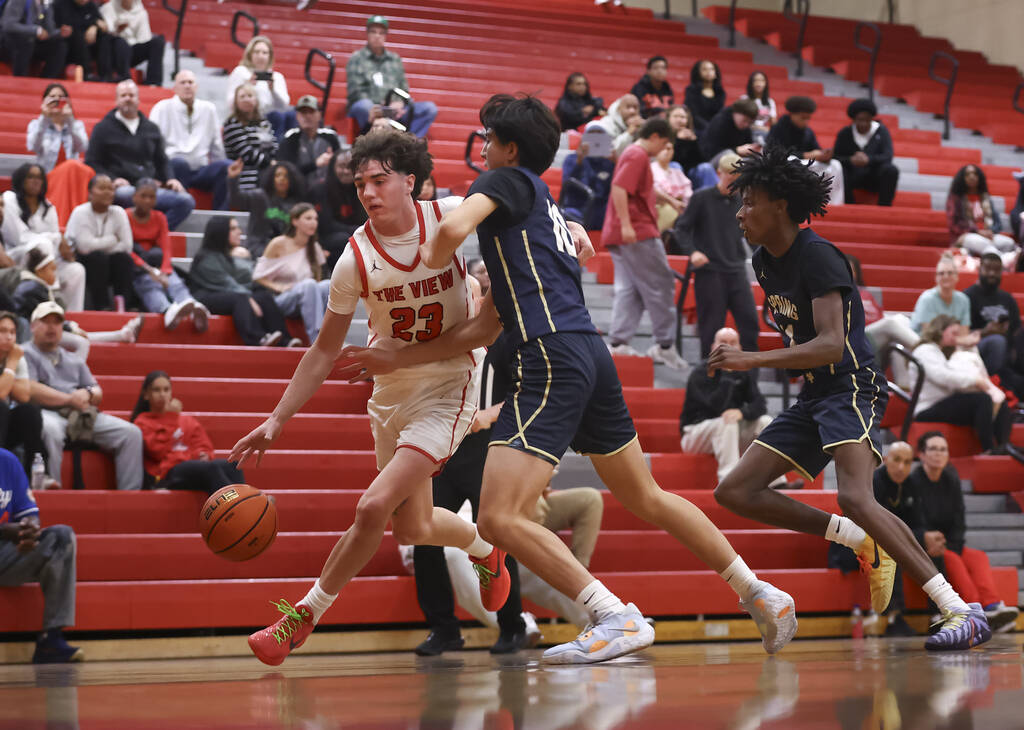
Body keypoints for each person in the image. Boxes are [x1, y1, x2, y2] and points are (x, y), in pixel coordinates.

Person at [341, 94, 801, 664]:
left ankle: (614, 615)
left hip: (550, 355)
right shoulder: (538, 211)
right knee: (646, 496)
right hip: (589, 352)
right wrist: (397, 359)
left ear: (509, 150)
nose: (481, 149)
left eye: (488, 140)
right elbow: (479, 333)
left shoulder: (507, 181)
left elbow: (444, 234)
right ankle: (760, 591)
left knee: (496, 517)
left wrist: (421, 267)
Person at [230, 129, 510, 667]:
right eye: (360, 183)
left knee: (373, 507)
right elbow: (322, 351)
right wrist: (276, 419)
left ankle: (301, 616)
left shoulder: (449, 214)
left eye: (379, 180)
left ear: (410, 180)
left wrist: (568, 223)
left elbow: (520, 202)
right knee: (413, 527)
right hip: (391, 390)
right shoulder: (354, 258)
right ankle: (484, 548)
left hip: (450, 385)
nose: (368, 192)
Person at [708, 145, 992, 651]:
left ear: (780, 205)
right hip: (815, 392)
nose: (740, 211)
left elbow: (831, 344)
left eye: (749, 201)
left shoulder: (818, 256)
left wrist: (750, 359)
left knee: (856, 495)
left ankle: (958, 608)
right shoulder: (762, 261)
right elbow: (802, 345)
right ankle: (858, 539)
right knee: (735, 491)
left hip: (851, 384)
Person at [412, 329, 529, 656]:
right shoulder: (443, 339)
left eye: (476, 289)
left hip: (489, 449)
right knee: (424, 535)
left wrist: (489, 414)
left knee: (497, 535)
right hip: (445, 449)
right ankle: (443, 629)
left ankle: (512, 626)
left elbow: (527, 391)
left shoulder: (506, 341)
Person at [25, 301, 145, 491]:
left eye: (56, 322)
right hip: (45, 411)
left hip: (80, 412)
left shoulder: (72, 358)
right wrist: (69, 399)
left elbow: (97, 391)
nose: (52, 327)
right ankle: (53, 493)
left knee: (131, 434)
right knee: (50, 430)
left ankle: (130, 497)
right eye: (45, 321)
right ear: (32, 326)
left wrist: (87, 393)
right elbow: (30, 389)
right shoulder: (25, 352)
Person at [908, 432, 1020, 632]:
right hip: (925, 546)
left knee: (978, 557)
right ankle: (976, 610)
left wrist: (954, 544)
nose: (938, 454)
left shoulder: (951, 479)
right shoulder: (913, 481)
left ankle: (992, 606)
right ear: (922, 454)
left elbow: (959, 519)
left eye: (943, 449)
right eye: (933, 449)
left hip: (951, 542)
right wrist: (933, 541)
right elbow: (915, 520)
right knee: (953, 560)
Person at [602, 117, 687, 369]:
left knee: (631, 289)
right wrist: (627, 224)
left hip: (623, 233)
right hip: (637, 232)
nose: (664, 149)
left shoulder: (634, 154)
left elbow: (642, 189)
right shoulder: (638, 155)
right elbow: (619, 188)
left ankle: (618, 343)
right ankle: (665, 345)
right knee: (661, 285)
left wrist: (670, 201)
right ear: (656, 137)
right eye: (664, 143)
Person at [672, 152, 759, 358]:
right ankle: (708, 376)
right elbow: (681, 229)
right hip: (710, 271)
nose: (733, 179)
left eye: (737, 175)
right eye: (730, 174)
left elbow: (752, 236)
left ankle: (749, 379)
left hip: (736, 269)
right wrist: (692, 252)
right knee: (710, 328)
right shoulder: (702, 198)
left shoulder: (744, 201)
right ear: (719, 173)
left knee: (750, 324)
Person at [0, 448, 81, 663]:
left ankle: (51, 638)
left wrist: (29, 532)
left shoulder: (7, 461)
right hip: (4, 536)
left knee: (61, 537)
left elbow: (29, 514)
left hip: (5, 553)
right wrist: (5, 530)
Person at [681, 327, 788, 487]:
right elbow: (714, 408)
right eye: (723, 342)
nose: (728, 347)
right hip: (695, 434)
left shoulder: (743, 372)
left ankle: (775, 481)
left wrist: (741, 412)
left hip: (728, 434)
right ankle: (729, 482)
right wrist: (727, 375)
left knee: (765, 421)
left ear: (740, 348)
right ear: (712, 347)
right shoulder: (701, 372)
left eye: (733, 343)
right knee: (727, 421)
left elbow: (760, 405)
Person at [85, 81, 195, 231]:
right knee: (128, 194)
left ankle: (154, 232)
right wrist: (112, 179)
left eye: (131, 95)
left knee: (186, 201)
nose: (127, 98)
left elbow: (161, 160)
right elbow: (92, 162)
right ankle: (139, 232)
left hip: (148, 186)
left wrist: (170, 178)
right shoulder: (102, 128)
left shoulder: (151, 128)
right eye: (123, 95)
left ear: (138, 99)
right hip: (121, 189)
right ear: (117, 100)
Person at [910, 314, 1016, 457]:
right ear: (940, 331)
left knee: (999, 401)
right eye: (953, 333)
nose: (956, 338)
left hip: (944, 403)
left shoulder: (940, 351)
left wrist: (968, 346)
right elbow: (943, 377)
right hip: (928, 407)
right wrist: (976, 381)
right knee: (982, 400)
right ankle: (988, 449)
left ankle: (1003, 447)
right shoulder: (925, 350)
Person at [130, 371, 245, 492]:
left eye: (166, 389)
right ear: (146, 395)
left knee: (233, 466)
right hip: (167, 473)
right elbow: (158, 451)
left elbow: (203, 444)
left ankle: (246, 505)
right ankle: (235, 506)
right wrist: (171, 417)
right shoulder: (142, 422)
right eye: (156, 390)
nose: (162, 394)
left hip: (193, 467)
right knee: (211, 468)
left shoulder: (186, 420)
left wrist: (203, 454)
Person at [188, 217, 290, 348]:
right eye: (233, 228)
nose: (239, 231)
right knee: (240, 298)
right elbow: (227, 284)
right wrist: (249, 299)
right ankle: (258, 338)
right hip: (205, 296)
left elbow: (243, 282)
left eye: (238, 227)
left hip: (226, 294)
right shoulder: (206, 257)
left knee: (262, 295)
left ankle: (285, 340)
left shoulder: (226, 256)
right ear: (220, 232)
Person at [1, 162, 86, 311]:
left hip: (45, 261)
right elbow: (19, 237)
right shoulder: (9, 199)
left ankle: (72, 314)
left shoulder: (49, 207)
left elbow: (54, 245)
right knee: (43, 244)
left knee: (76, 270)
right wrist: (58, 238)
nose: (36, 181)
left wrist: (60, 243)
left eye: (39, 177)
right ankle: (52, 299)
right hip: (17, 256)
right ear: (21, 179)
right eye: (31, 177)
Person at [127, 179, 208, 332]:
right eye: (143, 196)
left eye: (151, 197)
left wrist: (164, 270)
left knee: (173, 280)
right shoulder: (125, 216)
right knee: (149, 284)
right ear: (134, 197)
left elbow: (166, 246)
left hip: (155, 263)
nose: (147, 200)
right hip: (136, 266)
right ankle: (166, 310)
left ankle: (191, 304)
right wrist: (149, 270)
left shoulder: (159, 217)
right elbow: (126, 249)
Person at [252, 203, 331, 346]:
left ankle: (333, 336)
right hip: (281, 300)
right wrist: (279, 287)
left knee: (328, 285)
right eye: (308, 218)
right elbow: (257, 276)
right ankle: (318, 341)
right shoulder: (278, 243)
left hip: (308, 296)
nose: (313, 222)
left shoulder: (315, 247)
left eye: (315, 219)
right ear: (295, 221)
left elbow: (318, 279)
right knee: (309, 285)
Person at [149, 70, 230, 210]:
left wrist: (223, 164)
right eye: (183, 82)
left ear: (196, 87)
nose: (187, 86)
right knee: (180, 163)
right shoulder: (162, 108)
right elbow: (151, 144)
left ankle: (220, 217)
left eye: (190, 82)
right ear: (174, 88)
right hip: (173, 168)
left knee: (226, 166)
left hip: (201, 169)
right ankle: (184, 209)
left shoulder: (209, 109)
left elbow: (216, 145)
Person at [346, 15, 437, 138]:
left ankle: (409, 144)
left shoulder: (395, 59)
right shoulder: (357, 58)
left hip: (393, 110)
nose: (377, 36)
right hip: (370, 108)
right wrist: (378, 106)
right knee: (363, 105)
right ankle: (371, 140)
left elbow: (404, 88)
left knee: (429, 109)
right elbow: (355, 92)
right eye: (373, 32)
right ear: (367, 34)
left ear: (385, 36)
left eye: (381, 33)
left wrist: (399, 103)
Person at [870, 441, 918, 637]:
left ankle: (938, 616)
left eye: (907, 462)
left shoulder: (911, 485)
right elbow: (873, 524)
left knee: (933, 551)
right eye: (897, 460)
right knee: (892, 550)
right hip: (857, 542)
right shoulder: (873, 480)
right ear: (885, 459)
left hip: (893, 540)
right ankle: (895, 618)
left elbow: (916, 522)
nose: (901, 467)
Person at [65, 174, 134, 311]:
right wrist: (113, 240)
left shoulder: (119, 212)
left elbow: (127, 246)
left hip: (108, 262)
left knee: (123, 259)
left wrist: (98, 245)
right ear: (90, 193)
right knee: (98, 258)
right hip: (81, 261)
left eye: (111, 189)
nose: (108, 192)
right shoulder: (80, 212)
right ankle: (102, 307)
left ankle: (123, 305)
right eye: (102, 188)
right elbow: (84, 247)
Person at [766, 96, 844, 206]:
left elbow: (817, 149)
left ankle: (834, 204)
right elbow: (774, 153)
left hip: (805, 165)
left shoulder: (808, 132)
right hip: (783, 166)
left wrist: (823, 155)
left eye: (808, 118)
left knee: (835, 164)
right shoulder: (778, 128)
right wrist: (806, 155)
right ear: (792, 114)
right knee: (790, 160)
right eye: (803, 118)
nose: (806, 121)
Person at [0, 312, 47, 481]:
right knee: (1, 408)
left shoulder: (15, 356)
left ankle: (31, 477)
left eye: (12, 332)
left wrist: (10, 367)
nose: (9, 337)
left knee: (29, 411)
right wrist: (11, 365)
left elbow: (24, 395)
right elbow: (1, 394)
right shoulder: (14, 358)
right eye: (3, 331)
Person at [946, 164, 1019, 271]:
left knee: (1009, 243)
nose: (972, 177)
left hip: (987, 234)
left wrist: (990, 231)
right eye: (968, 174)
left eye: (975, 174)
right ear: (962, 178)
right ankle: (1004, 262)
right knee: (983, 244)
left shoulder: (985, 197)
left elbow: (997, 222)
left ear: (979, 177)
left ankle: (1003, 262)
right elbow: (954, 225)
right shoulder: (956, 198)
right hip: (965, 236)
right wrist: (978, 231)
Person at [965, 251, 1021, 389]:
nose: (992, 274)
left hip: (1007, 354)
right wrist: (985, 331)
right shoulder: (967, 297)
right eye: (988, 269)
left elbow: (1017, 329)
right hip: (979, 351)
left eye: (996, 270)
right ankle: (996, 385)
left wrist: (1008, 331)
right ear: (980, 269)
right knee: (997, 341)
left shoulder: (1007, 298)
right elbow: (961, 335)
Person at [227, 159, 305, 257]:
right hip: (258, 246)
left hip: (284, 249)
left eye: (286, 176)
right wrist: (233, 178)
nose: (282, 179)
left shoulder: (296, 204)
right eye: (278, 175)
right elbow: (235, 201)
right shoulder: (259, 196)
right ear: (271, 178)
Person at [225, 35, 295, 140]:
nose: (260, 56)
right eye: (256, 52)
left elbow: (283, 106)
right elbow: (230, 104)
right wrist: (247, 85)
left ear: (270, 56)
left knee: (291, 115)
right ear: (250, 54)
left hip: (272, 119)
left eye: (264, 53)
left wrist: (272, 90)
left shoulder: (277, 77)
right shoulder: (240, 72)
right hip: (247, 118)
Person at [833, 99, 899, 207]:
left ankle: (885, 205)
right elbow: (836, 156)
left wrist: (869, 159)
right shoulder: (845, 133)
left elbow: (888, 155)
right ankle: (849, 204)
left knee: (891, 170)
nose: (863, 123)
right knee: (839, 168)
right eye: (860, 120)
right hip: (853, 176)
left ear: (872, 118)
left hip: (873, 175)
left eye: (867, 120)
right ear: (853, 119)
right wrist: (851, 160)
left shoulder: (881, 131)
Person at [310, 147, 367, 271]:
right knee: (343, 239)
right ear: (333, 167)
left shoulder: (363, 188)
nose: (346, 171)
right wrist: (358, 230)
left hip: (356, 233)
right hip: (327, 238)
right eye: (341, 166)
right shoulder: (320, 189)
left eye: (350, 167)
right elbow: (326, 224)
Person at [222, 83, 277, 192]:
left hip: (266, 168)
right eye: (242, 97)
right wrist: (270, 163)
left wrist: (274, 161)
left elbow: (274, 146)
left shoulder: (263, 122)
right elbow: (247, 154)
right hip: (243, 171)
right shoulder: (232, 124)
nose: (246, 99)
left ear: (256, 100)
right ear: (236, 102)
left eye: (250, 95)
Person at [277, 95, 341, 189]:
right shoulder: (290, 138)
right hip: (298, 190)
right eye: (303, 112)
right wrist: (315, 164)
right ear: (297, 116)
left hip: (328, 190)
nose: (307, 116)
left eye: (311, 112)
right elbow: (287, 172)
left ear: (319, 114)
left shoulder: (330, 137)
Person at [560, 124, 614, 231]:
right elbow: (567, 185)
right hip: (577, 206)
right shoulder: (572, 159)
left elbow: (615, 188)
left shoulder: (609, 162)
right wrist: (579, 162)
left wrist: (616, 163)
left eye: (600, 139)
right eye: (592, 138)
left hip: (600, 209)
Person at [27, 84, 89, 174]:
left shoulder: (77, 125)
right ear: (44, 101)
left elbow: (82, 147)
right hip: (46, 175)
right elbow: (33, 146)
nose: (56, 100)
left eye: (61, 97)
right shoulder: (36, 124)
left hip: (69, 175)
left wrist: (70, 119)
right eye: (52, 97)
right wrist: (44, 118)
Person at [100, 0, 163, 85]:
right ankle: (124, 78)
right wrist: (117, 30)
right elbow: (106, 33)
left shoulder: (141, 12)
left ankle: (153, 82)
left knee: (157, 42)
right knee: (120, 42)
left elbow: (144, 38)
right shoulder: (108, 8)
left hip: (132, 50)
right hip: (113, 51)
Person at [1, 0, 68, 78]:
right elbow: (8, 25)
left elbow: (48, 30)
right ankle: (19, 80)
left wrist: (60, 32)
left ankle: (47, 81)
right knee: (26, 42)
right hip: (11, 44)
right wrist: (36, 30)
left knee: (60, 46)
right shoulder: (19, 1)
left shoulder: (46, 4)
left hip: (33, 44)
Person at [909, 253, 971, 333]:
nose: (946, 276)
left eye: (950, 273)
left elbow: (964, 332)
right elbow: (928, 335)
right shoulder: (927, 299)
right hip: (923, 341)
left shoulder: (964, 300)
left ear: (957, 276)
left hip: (952, 342)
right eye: (941, 273)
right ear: (936, 277)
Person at [54, 0, 114, 82]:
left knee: (105, 37)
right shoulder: (61, 4)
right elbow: (69, 25)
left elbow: (102, 25)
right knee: (77, 34)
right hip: (69, 46)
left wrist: (94, 27)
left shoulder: (91, 5)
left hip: (89, 45)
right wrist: (93, 23)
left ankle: (106, 76)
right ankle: (87, 74)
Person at [667, 105, 717, 190]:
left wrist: (693, 142)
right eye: (675, 116)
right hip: (670, 173)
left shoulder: (694, 135)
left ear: (687, 120)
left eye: (682, 117)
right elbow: (670, 159)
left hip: (691, 174)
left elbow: (703, 160)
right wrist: (680, 141)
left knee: (706, 167)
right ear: (668, 118)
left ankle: (713, 199)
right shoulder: (663, 135)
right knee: (675, 166)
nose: (679, 120)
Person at [698, 99, 760, 166]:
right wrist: (737, 150)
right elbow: (711, 151)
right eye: (744, 120)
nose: (746, 125)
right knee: (729, 154)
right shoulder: (720, 122)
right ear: (735, 113)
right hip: (710, 160)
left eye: (750, 122)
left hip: (734, 157)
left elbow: (748, 143)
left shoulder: (745, 127)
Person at [651, 144, 692, 231]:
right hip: (660, 211)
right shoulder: (649, 170)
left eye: (669, 149)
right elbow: (654, 196)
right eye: (663, 148)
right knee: (669, 211)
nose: (666, 152)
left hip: (681, 211)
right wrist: (673, 201)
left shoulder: (678, 173)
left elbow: (688, 196)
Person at [683, 59, 725, 133]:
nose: (708, 71)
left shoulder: (720, 92)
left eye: (711, 69)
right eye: (704, 69)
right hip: (696, 128)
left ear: (716, 73)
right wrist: (709, 127)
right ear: (698, 72)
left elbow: (719, 114)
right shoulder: (691, 90)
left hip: (714, 128)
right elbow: (693, 114)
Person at [597, 94, 642, 158]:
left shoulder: (640, 124)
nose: (632, 111)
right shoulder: (605, 124)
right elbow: (611, 153)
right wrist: (629, 132)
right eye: (628, 107)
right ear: (618, 109)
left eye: (635, 107)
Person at [740, 71, 776, 144]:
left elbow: (774, 125)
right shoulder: (744, 99)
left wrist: (768, 130)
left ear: (766, 83)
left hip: (765, 132)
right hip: (748, 132)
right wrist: (759, 128)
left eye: (762, 80)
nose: (759, 83)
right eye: (756, 80)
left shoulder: (770, 102)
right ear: (751, 83)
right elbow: (741, 122)